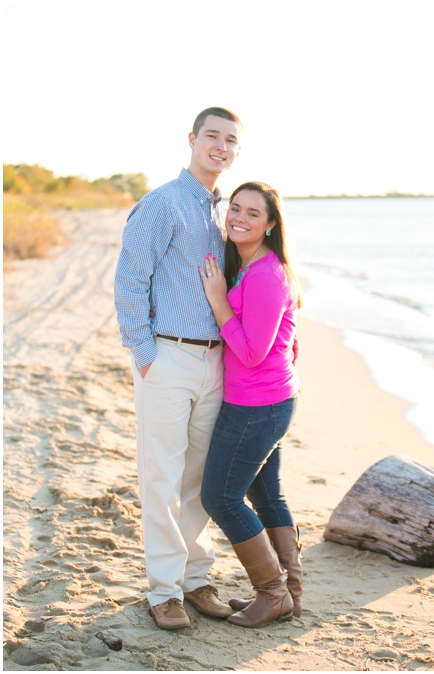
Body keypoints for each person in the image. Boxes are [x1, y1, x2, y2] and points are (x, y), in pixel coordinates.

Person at [114, 107, 242, 630]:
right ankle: (164, 590)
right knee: (162, 477)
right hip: (167, 358)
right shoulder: (163, 203)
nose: (221, 145)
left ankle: (197, 579)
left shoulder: (224, 213)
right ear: (192, 139)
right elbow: (129, 280)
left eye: (231, 140)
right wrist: (145, 356)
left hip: (216, 363)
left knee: (197, 479)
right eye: (212, 135)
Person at [198, 181, 303, 628]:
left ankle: (273, 593)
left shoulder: (263, 274)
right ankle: (292, 592)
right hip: (272, 398)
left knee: (220, 498)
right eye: (234, 208)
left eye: (253, 213)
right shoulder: (251, 264)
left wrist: (219, 302)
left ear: (271, 224)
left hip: (256, 405)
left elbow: (252, 352)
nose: (239, 217)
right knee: (265, 494)